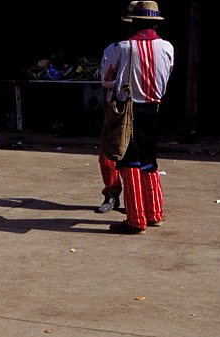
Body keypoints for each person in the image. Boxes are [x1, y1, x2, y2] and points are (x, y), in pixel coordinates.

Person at [109, 1, 174, 233]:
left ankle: (135, 220)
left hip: (128, 109)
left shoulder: (124, 47)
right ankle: (155, 213)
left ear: (134, 23)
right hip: (153, 108)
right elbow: (165, 76)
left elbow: (108, 77)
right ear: (156, 22)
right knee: (149, 160)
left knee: (128, 161)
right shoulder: (167, 47)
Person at [95, 4, 136, 214]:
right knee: (109, 152)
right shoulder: (114, 49)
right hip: (117, 106)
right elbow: (106, 79)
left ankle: (133, 199)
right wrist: (124, 82)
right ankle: (112, 194)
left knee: (134, 155)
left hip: (140, 106)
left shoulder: (153, 48)